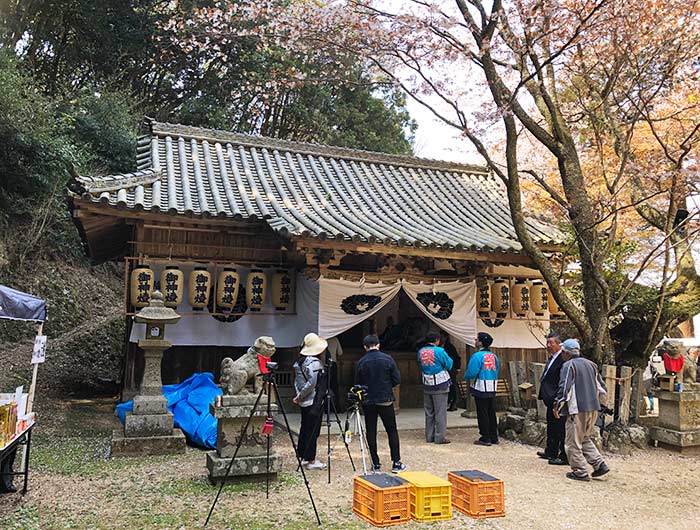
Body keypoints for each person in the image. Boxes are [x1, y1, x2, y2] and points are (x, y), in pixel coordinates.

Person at [553, 339, 610, 482]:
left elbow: (564, 387)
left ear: (566, 352)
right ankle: (599, 464)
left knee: (572, 441)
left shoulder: (568, 365)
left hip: (577, 408)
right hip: (593, 407)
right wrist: (602, 404)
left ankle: (580, 471)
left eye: (563, 352)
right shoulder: (591, 364)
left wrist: (557, 406)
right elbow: (601, 386)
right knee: (584, 438)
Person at [355, 334, 407, 473]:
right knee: (391, 430)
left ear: (365, 347)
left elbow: (357, 383)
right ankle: (396, 462)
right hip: (385, 398)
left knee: (371, 430)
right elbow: (396, 379)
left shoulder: (361, 362)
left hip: (368, 400)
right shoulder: (388, 359)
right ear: (378, 344)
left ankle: (375, 463)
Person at [292, 332, 327, 470]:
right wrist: (301, 395)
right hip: (313, 400)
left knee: (305, 428)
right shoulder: (314, 363)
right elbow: (312, 383)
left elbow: (297, 382)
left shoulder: (299, 362)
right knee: (313, 430)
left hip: (303, 400)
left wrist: (298, 396)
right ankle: (311, 459)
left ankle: (302, 455)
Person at [537, 332, 568, 465]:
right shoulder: (551, 358)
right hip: (549, 396)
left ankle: (563, 453)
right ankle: (551, 450)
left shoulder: (563, 359)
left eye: (551, 343)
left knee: (560, 427)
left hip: (557, 397)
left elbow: (562, 380)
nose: (548, 345)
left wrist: (558, 397)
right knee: (551, 425)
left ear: (559, 344)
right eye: (548, 343)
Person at [418, 331, 454, 444]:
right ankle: (440, 437)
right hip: (440, 383)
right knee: (440, 411)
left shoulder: (420, 352)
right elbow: (449, 364)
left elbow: (420, 364)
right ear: (436, 340)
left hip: (427, 382)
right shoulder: (439, 351)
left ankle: (429, 436)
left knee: (429, 411)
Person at [464, 332, 499, 446]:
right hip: (492, 385)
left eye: (476, 340)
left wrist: (466, 376)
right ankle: (494, 436)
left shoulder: (477, 356)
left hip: (480, 386)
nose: (475, 341)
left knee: (482, 412)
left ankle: (485, 437)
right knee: (491, 411)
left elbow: (472, 372)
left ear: (480, 342)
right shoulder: (494, 356)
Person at [440, 330, 462, 411]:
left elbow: (456, 358)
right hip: (443, 370)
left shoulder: (449, 347)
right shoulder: (440, 347)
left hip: (451, 369)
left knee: (452, 386)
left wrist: (458, 367)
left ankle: (454, 403)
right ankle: (448, 402)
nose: (441, 339)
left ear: (446, 337)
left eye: (442, 337)